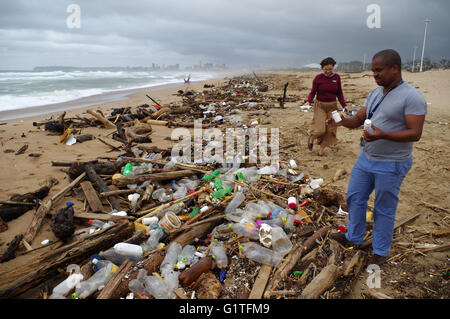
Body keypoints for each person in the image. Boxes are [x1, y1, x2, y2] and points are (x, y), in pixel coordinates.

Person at [328, 49, 427, 266]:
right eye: (373, 71)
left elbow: (415, 133)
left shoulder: (412, 97)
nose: (375, 75)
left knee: (383, 207)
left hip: (392, 163)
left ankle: (380, 251)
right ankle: (353, 237)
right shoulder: (375, 94)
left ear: (395, 68)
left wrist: (383, 134)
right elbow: (359, 120)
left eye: (379, 70)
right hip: (366, 158)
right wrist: (343, 121)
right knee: (354, 198)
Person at [305, 57, 348, 156]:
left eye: (330, 69)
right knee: (320, 129)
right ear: (322, 68)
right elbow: (313, 92)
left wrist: (344, 105)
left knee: (330, 130)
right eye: (326, 69)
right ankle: (311, 138)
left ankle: (321, 150)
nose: (328, 71)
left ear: (333, 67)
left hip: (332, 107)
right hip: (320, 105)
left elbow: (339, 93)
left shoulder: (336, 78)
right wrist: (308, 101)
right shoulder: (318, 78)